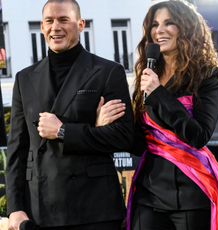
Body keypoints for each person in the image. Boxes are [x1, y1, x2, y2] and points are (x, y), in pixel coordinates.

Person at [98, 0, 218, 229]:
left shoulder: (209, 75)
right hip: (148, 194)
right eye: (154, 24)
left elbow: (199, 135)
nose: (159, 30)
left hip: (192, 193)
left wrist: (159, 93)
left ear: (186, 27)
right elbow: (140, 143)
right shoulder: (148, 75)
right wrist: (108, 123)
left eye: (169, 23)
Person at [5, 0, 134, 229]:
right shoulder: (24, 79)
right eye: (49, 21)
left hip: (95, 209)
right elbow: (17, 150)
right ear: (42, 27)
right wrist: (15, 208)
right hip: (40, 209)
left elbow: (124, 136)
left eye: (64, 19)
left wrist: (63, 131)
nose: (56, 27)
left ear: (80, 24)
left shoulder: (107, 72)